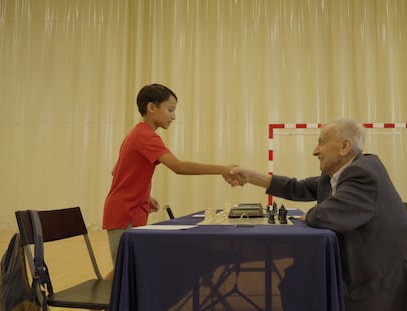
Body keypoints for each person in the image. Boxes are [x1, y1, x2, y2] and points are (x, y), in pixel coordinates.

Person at [226, 118, 407, 311]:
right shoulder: (335, 175)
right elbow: (296, 187)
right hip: (357, 266)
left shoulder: (362, 173)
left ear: (345, 146)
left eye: (321, 142)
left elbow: (326, 215)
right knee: (294, 281)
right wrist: (250, 176)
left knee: (300, 284)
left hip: (376, 279)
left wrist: (311, 214)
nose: (315, 151)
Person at [103, 83, 238, 279]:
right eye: (170, 109)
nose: (173, 116)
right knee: (126, 272)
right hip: (125, 212)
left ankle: (98, 305)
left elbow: (117, 171)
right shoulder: (146, 136)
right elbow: (178, 166)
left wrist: (144, 195)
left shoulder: (137, 133)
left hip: (131, 208)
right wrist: (223, 169)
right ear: (151, 108)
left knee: (125, 269)